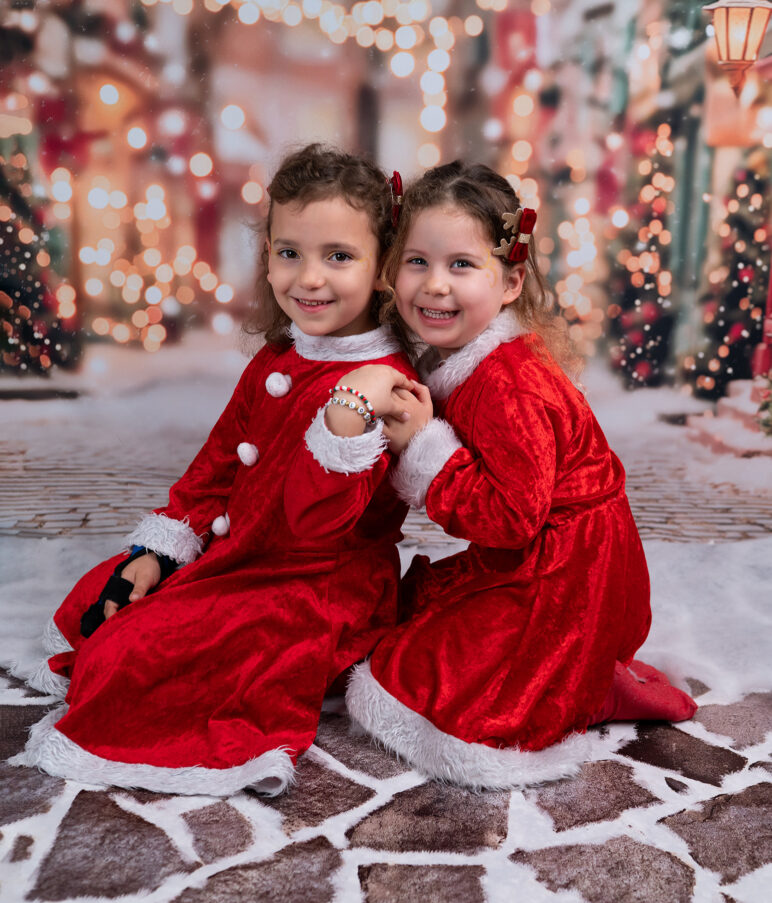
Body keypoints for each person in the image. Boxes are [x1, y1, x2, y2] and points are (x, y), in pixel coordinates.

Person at [15, 143, 416, 797]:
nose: (308, 279)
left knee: (131, 651)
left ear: (382, 268)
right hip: (238, 554)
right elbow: (217, 464)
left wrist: (346, 429)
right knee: (103, 593)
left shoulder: (378, 386)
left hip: (313, 584)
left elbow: (323, 526)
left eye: (337, 256)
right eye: (290, 253)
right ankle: (159, 612)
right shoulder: (277, 359)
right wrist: (163, 547)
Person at [341, 161, 697, 790]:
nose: (435, 286)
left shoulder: (508, 384)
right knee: (416, 612)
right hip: (565, 557)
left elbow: (512, 519)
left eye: (462, 265)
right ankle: (593, 673)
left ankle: (589, 680)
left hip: (567, 573)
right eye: (417, 261)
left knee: (417, 676)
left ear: (509, 281)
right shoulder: (467, 358)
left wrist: (426, 449)